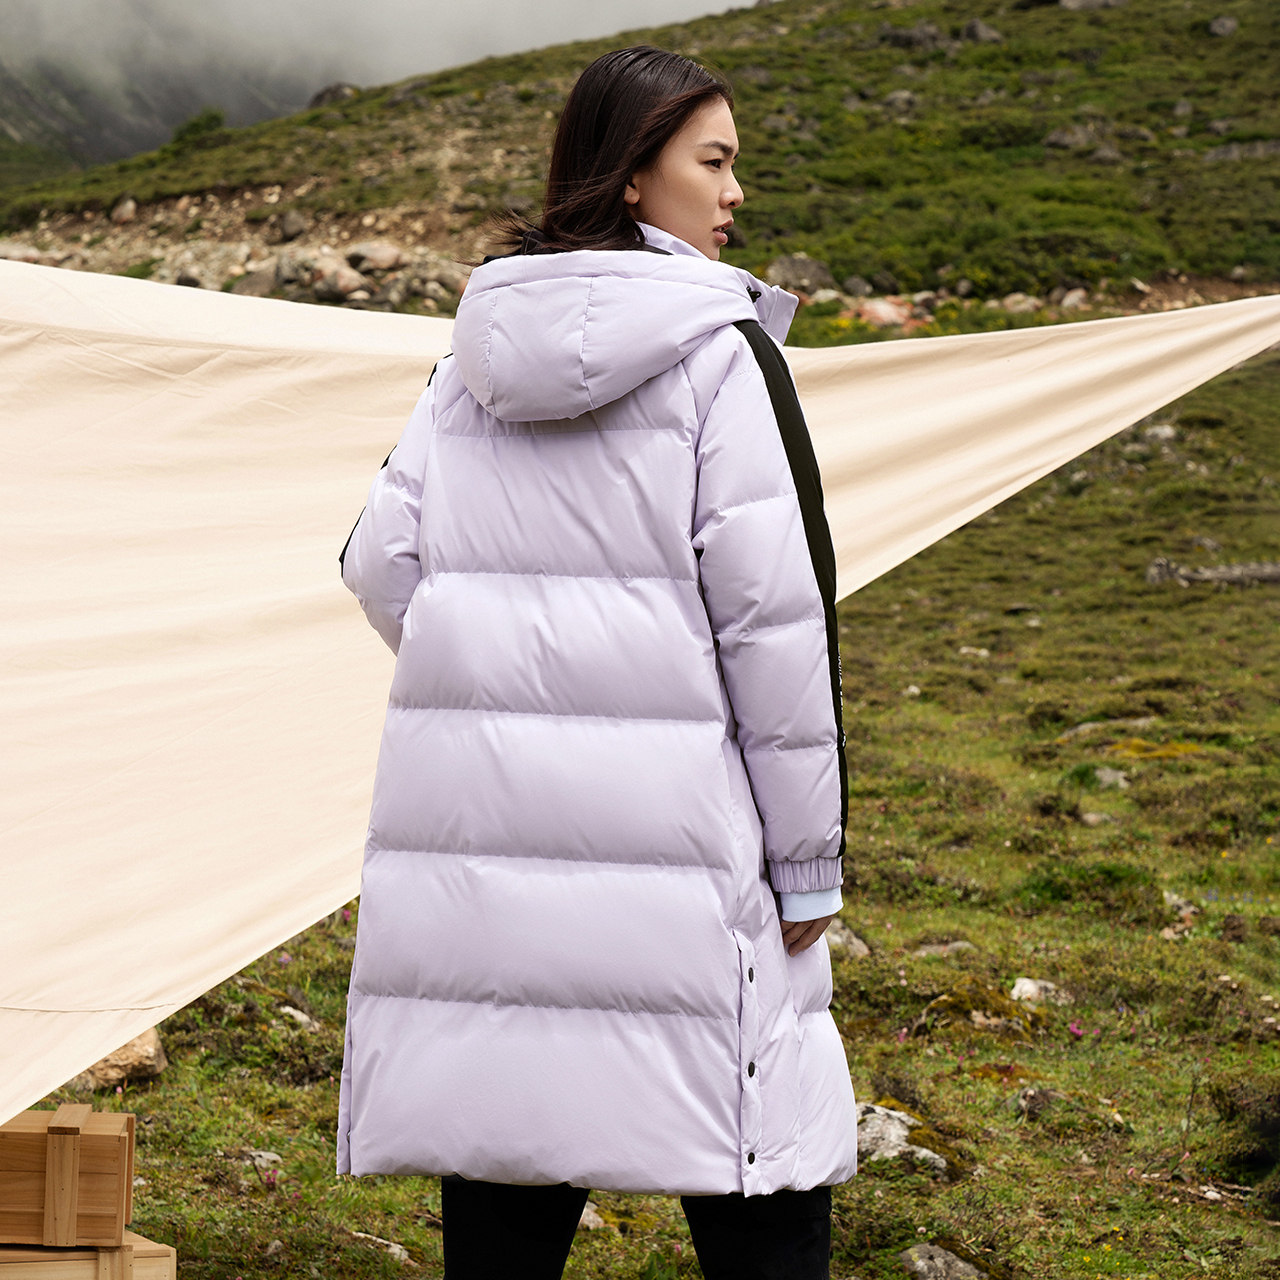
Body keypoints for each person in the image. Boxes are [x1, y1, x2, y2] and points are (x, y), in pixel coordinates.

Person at [337, 44, 858, 1280]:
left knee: (507, 1146)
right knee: (759, 1168)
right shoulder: (725, 356)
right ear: (633, 175)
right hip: (687, 852)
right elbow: (773, 631)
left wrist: (504, 676)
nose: (734, 192)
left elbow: (377, 563)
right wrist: (806, 868)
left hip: (487, 843)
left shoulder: (468, 361)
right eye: (713, 161)